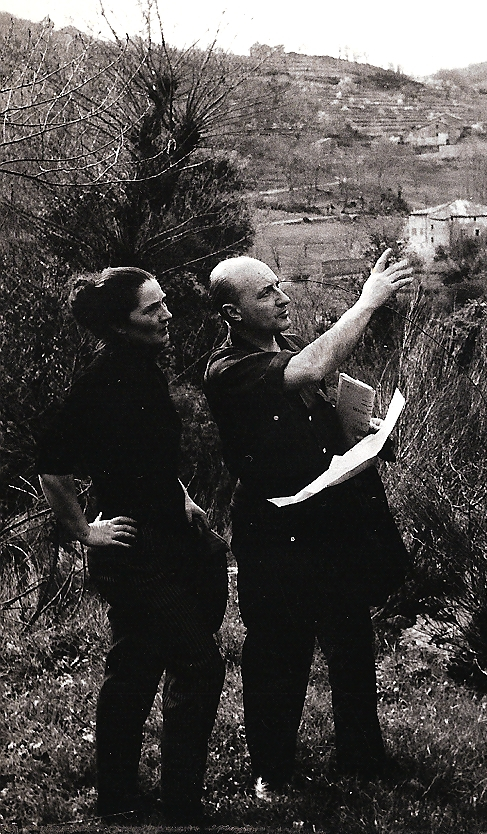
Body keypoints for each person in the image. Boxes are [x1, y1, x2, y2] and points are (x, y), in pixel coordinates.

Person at [203, 250, 414, 798]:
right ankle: (272, 773)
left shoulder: (293, 347)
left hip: (332, 522)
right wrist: (368, 302)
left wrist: (368, 433)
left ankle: (364, 760)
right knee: (279, 652)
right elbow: (312, 371)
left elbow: (324, 402)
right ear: (231, 315)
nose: (283, 298)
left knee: (351, 641)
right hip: (275, 531)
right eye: (265, 293)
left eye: (279, 285)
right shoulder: (228, 371)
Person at [36, 267, 228, 825]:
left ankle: (119, 801)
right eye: (152, 310)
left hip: (165, 538)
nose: (167, 314)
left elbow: (141, 458)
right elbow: (52, 463)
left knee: (137, 667)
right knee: (199, 664)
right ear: (121, 325)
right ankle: (181, 807)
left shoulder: (141, 368)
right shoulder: (104, 379)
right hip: (134, 553)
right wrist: (83, 531)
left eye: (164, 304)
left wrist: (182, 496)